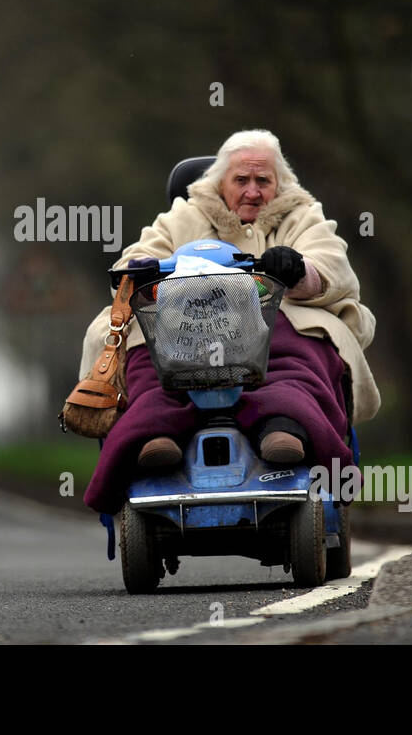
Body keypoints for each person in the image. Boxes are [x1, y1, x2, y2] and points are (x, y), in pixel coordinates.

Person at [79, 129, 380, 515]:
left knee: (301, 346)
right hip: (187, 336)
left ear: (280, 184)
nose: (252, 192)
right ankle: (153, 433)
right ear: (220, 183)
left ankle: (285, 423)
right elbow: (135, 261)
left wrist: (299, 271)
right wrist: (141, 271)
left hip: (275, 331)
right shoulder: (183, 216)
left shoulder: (303, 216)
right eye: (241, 180)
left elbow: (332, 268)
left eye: (263, 181)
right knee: (143, 347)